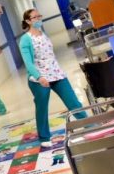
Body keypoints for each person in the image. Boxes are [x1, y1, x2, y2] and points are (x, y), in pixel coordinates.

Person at [19, 9, 86, 147]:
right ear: (28, 21)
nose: (39, 18)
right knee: (42, 109)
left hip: (57, 74)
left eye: (39, 16)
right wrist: (39, 77)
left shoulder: (43, 34)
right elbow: (28, 63)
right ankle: (44, 138)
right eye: (35, 17)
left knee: (73, 102)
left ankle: (90, 125)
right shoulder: (25, 39)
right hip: (39, 80)